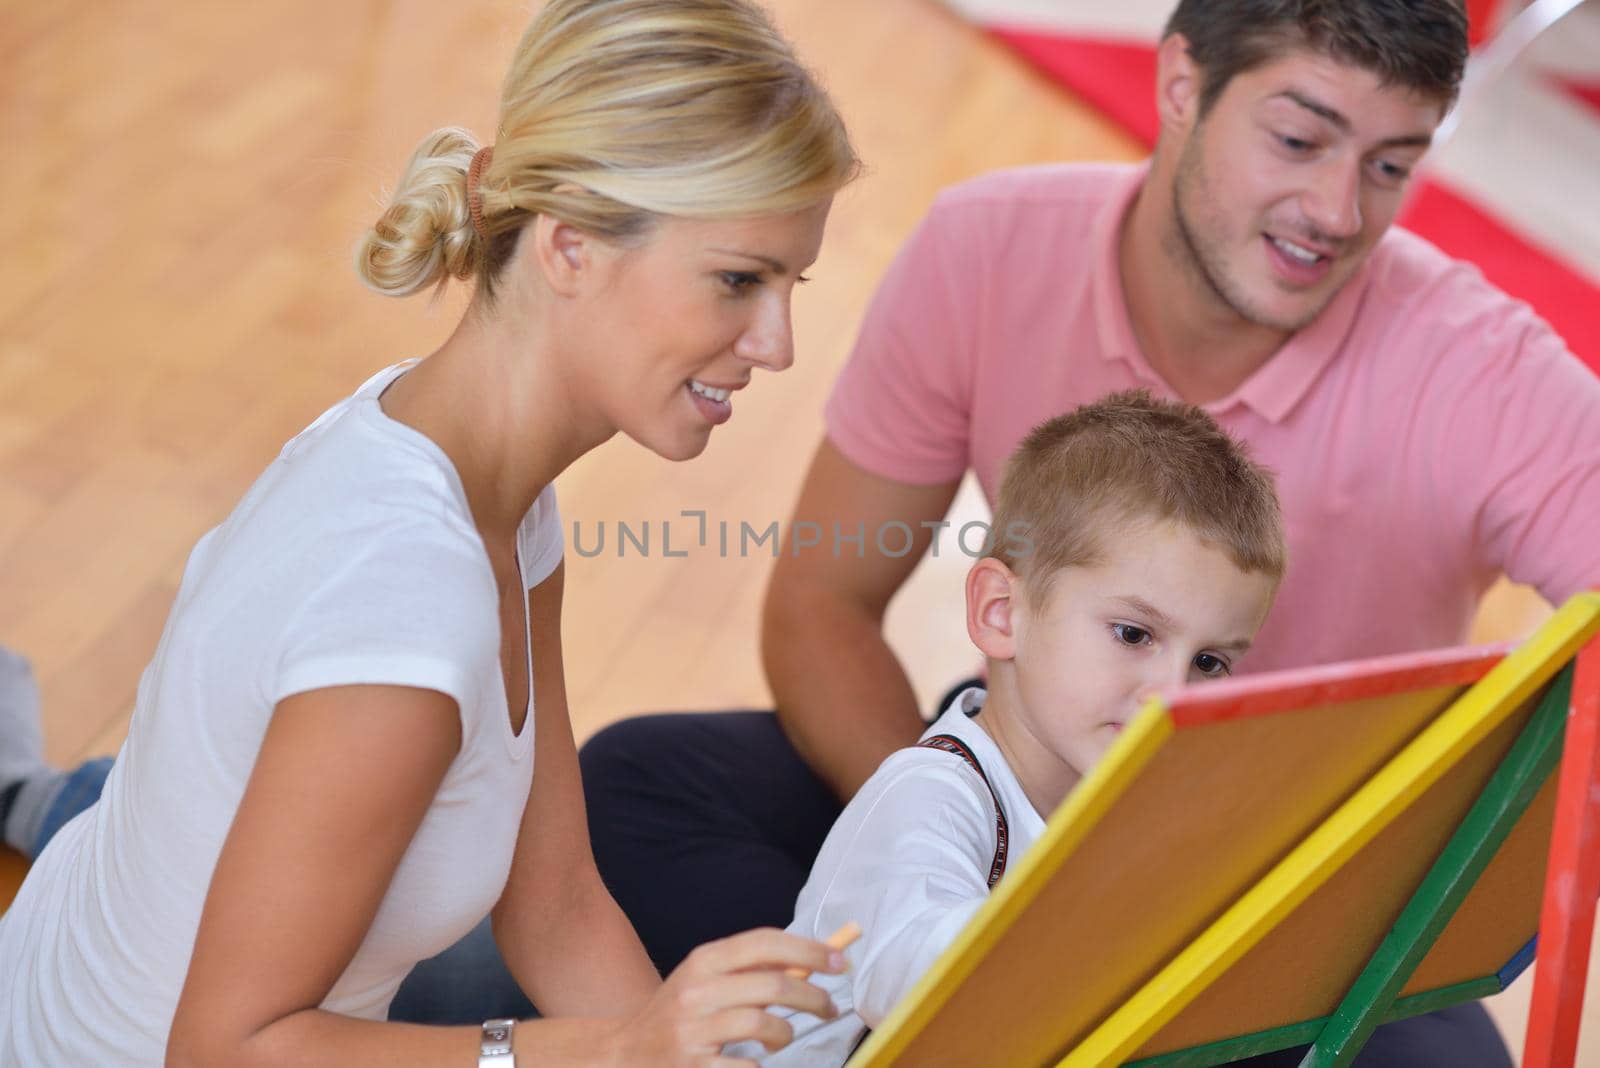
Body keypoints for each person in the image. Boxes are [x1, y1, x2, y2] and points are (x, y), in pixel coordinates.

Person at [578, 0, 1599, 1062]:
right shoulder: (988, 245)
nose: (1338, 210)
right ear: (1180, 89)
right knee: (639, 786)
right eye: (1298, 140)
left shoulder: (1488, 371)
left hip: (1293, 892)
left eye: (1391, 165)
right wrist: (971, 849)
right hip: (1040, 772)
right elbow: (821, 604)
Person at [0, 1, 860, 1065]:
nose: (776, 344)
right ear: (571, 248)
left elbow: (553, 902)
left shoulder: (480, 476)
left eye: (790, 284)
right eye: (739, 279)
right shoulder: (407, 591)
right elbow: (228, 1051)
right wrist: (613, 1053)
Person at [731, 390, 1289, 1065]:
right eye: (1134, 633)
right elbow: (919, 976)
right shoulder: (927, 793)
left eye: (1209, 662)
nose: (1173, 694)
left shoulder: (1116, 803)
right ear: (1001, 614)